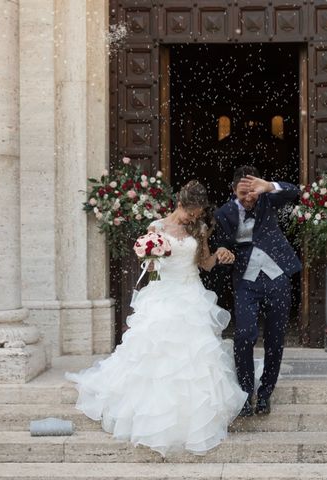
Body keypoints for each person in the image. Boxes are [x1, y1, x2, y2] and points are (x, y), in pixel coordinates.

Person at [66, 180, 247, 457]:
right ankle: (154, 416)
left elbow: (204, 263)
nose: (193, 218)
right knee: (157, 353)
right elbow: (153, 273)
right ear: (179, 203)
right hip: (164, 294)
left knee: (194, 357)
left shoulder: (198, 229)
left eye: (197, 213)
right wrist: (151, 261)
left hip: (192, 295)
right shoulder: (156, 228)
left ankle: (191, 419)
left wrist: (221, 255)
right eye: (190, 212)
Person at [214, 165, 301, 417]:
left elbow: (294, 191)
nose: (249, 198)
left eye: (252, 192)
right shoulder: (224, 212)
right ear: (233, 191)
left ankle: (265, 395)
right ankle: (244, 395)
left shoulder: (267, 200)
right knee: (244, 334)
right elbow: (219, 241)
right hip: (245, 280)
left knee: (275, 338)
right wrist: (222, 250)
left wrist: (269, 186)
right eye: (243, 194)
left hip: (277, 277)